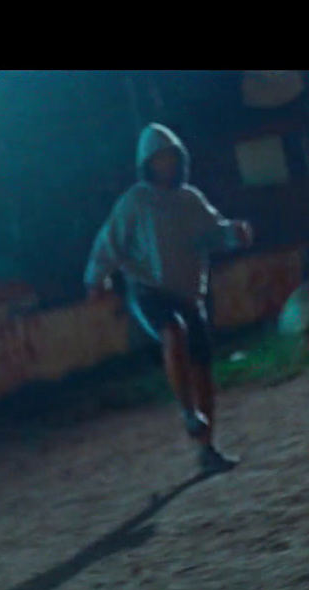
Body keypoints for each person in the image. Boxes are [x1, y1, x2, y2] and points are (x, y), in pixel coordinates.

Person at [85, 123, 254, 474]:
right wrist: (95, 278)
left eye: (171, 157)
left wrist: (235, 234)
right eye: (159, 158)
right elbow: (110, 241)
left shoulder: (189, 200)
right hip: (149, 290)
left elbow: (213, 233)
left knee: (204, 368)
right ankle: (186, 410)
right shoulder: (136, 202)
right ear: (148, 162)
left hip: (189, 293)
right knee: (173, 332)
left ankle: (206, 447)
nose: (167, 165)